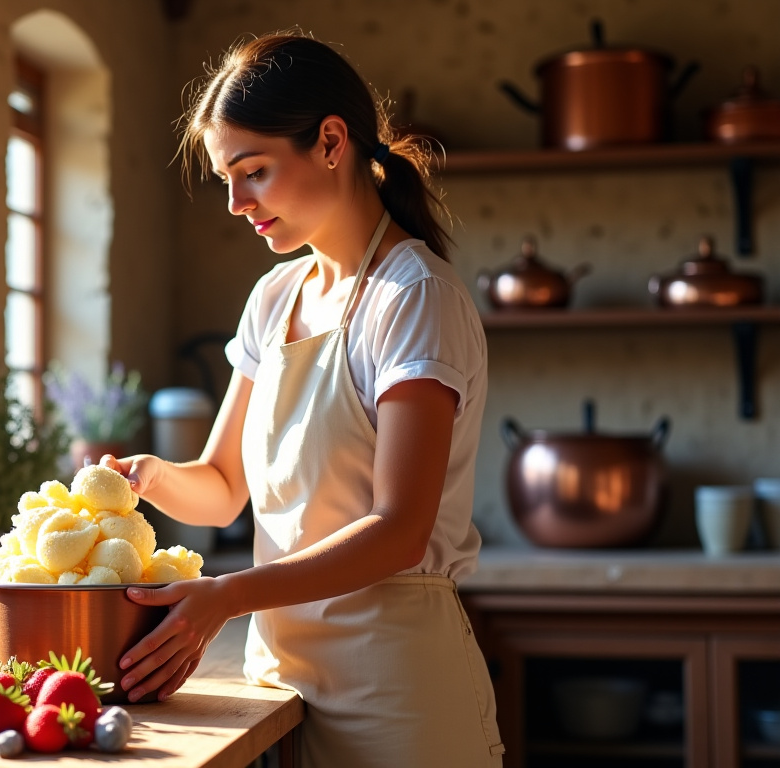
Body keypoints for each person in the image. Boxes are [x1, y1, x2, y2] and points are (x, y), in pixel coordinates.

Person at [103, 31, 504, 767]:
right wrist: (149, 478)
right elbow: (224, 490)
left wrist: (226, 596)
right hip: (280, 688)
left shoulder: (414, 297)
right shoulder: (275, 297)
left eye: (252, 171)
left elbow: (399, 531)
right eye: (227, 178)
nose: (233, 202)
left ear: (329, 141)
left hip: (397, 698)